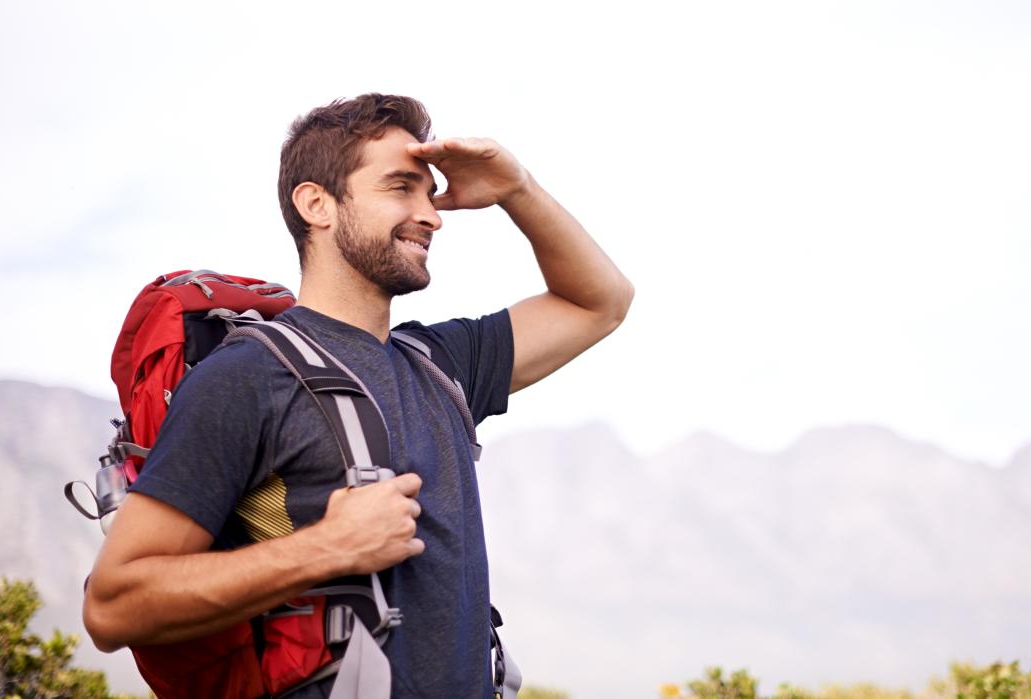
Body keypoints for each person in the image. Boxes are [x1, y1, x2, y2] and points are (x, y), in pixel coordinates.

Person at [82, 93, 634, 697]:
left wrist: (517, 189)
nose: (432, 215)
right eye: (401, 187)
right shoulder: (247, 378)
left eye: (430, 194)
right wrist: (327, 548)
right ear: (316, 203)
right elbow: (114, 607)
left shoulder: (440, 365)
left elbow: (600, 301)